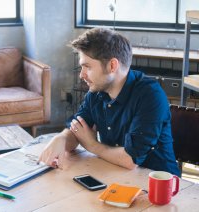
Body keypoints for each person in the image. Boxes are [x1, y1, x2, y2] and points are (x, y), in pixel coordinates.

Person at [39, 28, 180, 176]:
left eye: (87, 67)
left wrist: (92, 145)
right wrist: (60, 139)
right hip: (116, 174)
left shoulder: (150, 96)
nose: (81, 75)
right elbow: (77, 130)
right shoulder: (96, 91)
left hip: (159, 185)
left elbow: (130, 160)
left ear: (112, 65)